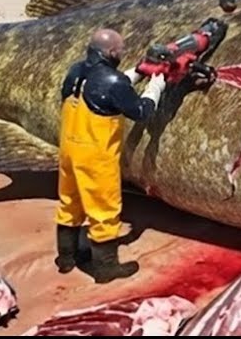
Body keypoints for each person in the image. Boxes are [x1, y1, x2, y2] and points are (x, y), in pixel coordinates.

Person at [53, 28, 170, 284]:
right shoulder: (113, 82)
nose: (121, 54)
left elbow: (101, 89)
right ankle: (105, 268)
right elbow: (141, 111)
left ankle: (66, 258)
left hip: (70, 150)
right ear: (112, 52)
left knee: (69, 204)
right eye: (120, 51)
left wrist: (138, 72)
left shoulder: (76, 71)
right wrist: (156, 87)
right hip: (96, 157)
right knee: (104, 211)